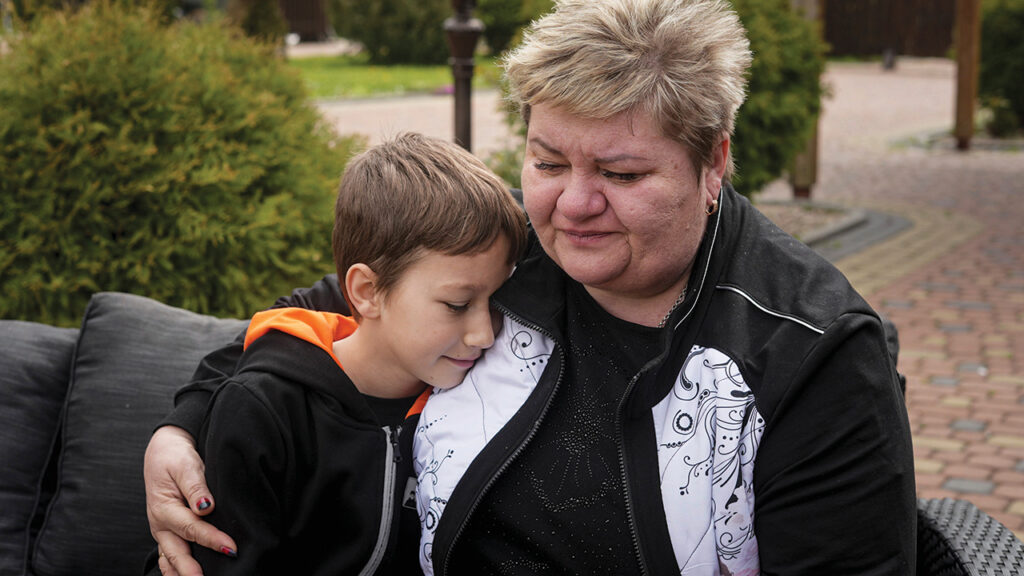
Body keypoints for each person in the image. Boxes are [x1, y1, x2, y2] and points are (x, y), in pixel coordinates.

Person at [145, 0, 917, 574]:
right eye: (548, 162)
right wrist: (181, 428)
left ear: (713, 163)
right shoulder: (505, 248)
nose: (572, 205)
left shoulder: (814, 354)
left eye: (621, 174)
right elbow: (309, 322)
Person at [143, 132, 527, 575]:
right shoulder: (264, 413)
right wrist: (176, 428)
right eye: (457, 305)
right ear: (366, 292)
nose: (484, 334)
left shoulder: (462, 397)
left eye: (497, 304)